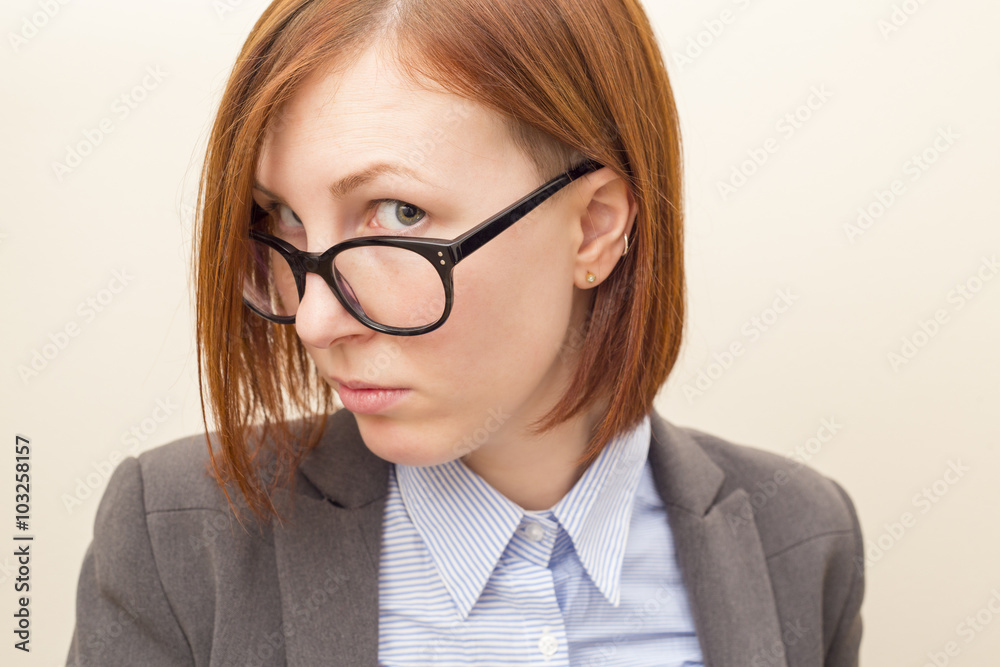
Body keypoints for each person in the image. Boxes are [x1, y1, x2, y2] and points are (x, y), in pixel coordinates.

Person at [66, 1, 864, 665]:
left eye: (400, 214)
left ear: (591, 227)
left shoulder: (801, 538)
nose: (313, 319)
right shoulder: (174, 540)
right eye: (280, 217)